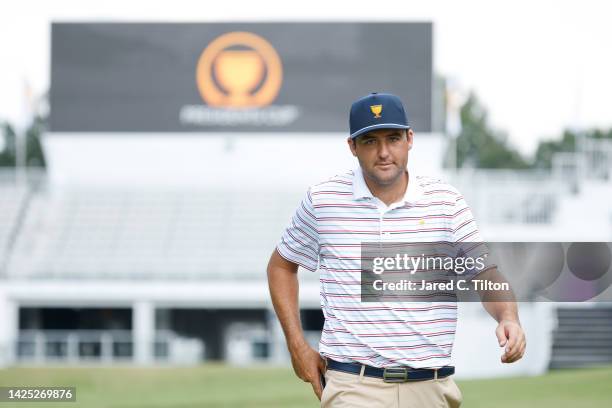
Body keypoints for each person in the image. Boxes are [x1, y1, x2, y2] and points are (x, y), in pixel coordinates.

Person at [267, 92, 526, 407]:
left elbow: (484, 272)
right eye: (370, 141)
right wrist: (297, 346)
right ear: (352, 146)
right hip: (354, 385)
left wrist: (508, 316)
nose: (384, 152)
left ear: (409, 139)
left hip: (431, 386)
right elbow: (281, 266)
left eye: (393, 138)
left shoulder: (446, 201)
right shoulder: (324, 201)